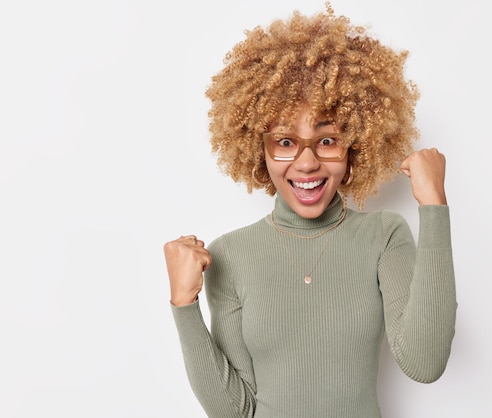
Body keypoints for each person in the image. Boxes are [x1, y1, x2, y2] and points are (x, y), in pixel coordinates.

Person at [163, 3, 457, 417]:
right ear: (257, 149)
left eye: (327, 140)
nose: (306, 163)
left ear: (354, 144)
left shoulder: (384, 236)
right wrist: (183, 304)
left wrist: (433, 208)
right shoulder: (230, 254)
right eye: (284, 141)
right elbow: (236, 411)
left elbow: (425, 364)